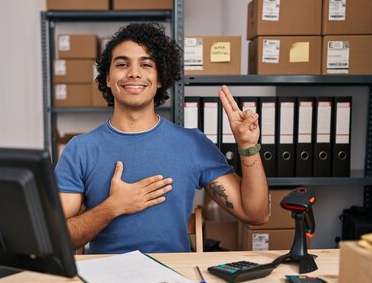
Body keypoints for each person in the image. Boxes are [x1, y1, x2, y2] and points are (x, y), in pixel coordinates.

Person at [55, 22, 269, 254]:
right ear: (107, 78)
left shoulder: (192, 144)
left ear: (159, 79)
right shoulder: (81, 149)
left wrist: (248, 146)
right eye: (122, 64)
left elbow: (256, 214)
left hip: (175, 281)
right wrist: (112, 207)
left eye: (146, 64)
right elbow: (57, 238)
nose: (134, 72)